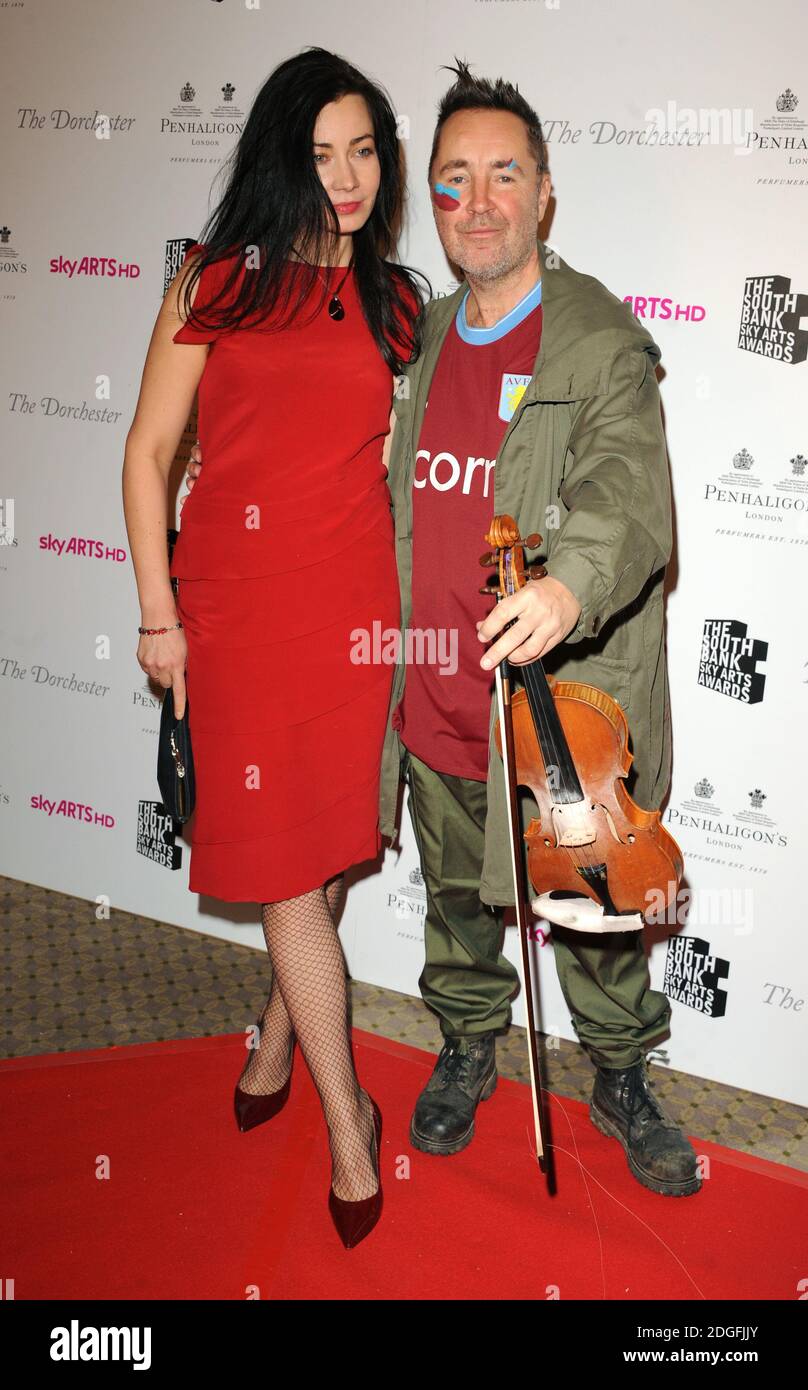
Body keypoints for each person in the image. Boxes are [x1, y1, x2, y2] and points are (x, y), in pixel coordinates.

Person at [186, 61, 701, 1200]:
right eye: (455, 178)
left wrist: (568, 586)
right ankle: (467, 1042)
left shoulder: (597, 341)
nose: (478, 201)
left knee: (598, 918)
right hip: (426, 690)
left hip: (565, 711)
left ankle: (619, 1071)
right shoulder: (404, 329)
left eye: (503, 175)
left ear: (544, 192)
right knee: (459, 908)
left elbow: (627, 494)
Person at [122, 47, 425, 1249]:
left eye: (365, 152)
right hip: (240, 621)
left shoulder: (394, 298)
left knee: (339, 850)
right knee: (293, 878)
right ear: (279, 159)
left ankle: (274, 1030)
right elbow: (149, 455)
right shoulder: (215, 281)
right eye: (321, 154)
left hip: (354, 618)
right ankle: (348, 1126)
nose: (347, 178)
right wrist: (159, 616)